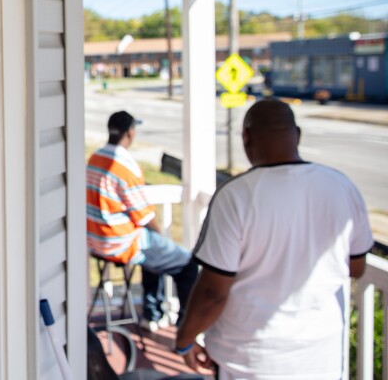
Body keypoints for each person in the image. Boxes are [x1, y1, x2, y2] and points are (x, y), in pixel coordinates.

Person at [175, 99, 373, 379]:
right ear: (298, 135)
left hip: (251, 359)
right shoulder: (341, 186)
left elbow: (212, 292)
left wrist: (185, 339)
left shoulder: (236, 196)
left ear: (246, 137)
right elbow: (356, 267)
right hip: (322, 355)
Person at [87, 110, 198, 330]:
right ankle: (187, 326)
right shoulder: (125, 166)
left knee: (155, 256)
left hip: (96, 241)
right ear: (129, 132)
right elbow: (144, 215)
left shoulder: (95, 158)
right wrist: (158, 234)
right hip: (120, 243)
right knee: (188, 264)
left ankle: (152, 313)